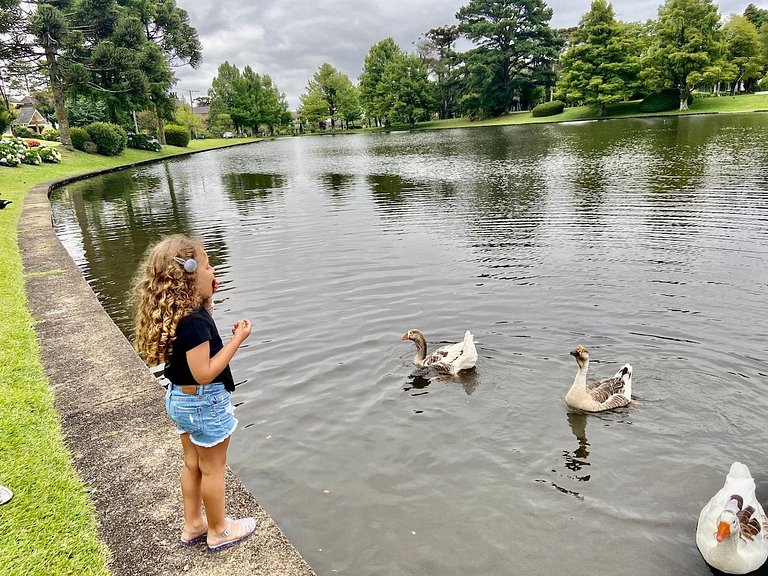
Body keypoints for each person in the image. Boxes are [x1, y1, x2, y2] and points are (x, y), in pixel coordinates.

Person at [133, 234, 256, 552]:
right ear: (189, 275)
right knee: (213, 468)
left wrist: (207, 301)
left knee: (192, 464)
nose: (213, 269)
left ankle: (193, 524)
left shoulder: (178, 315)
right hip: (205, 401)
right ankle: (218, 530)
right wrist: (236, 341)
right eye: (207, 265)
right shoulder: (197, 324)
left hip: (180, 398)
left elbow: (193, 352)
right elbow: (205, 371)